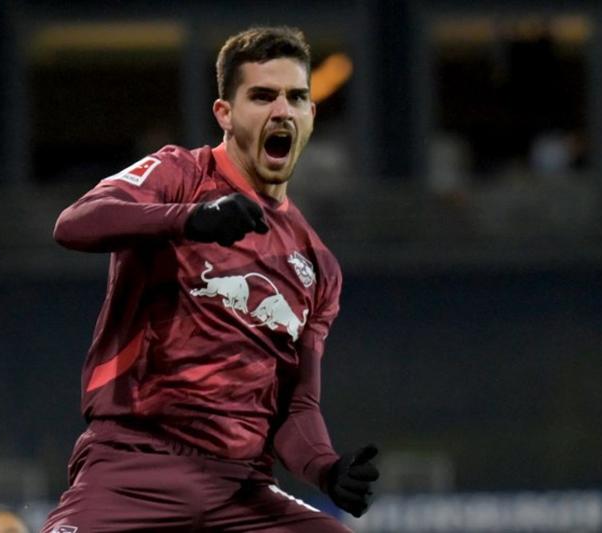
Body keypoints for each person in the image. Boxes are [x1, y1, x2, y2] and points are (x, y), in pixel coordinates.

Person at [41, 26, 379, 533]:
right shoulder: (178, 175)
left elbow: (296, 406)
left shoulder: (318, 266)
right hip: (136, 467)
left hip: (242, 490)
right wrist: (189, 218)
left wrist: (327, 469)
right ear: (225, 113)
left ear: (311, 113)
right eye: (262, 96)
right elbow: (75, 224)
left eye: (295, 97)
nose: (281, 110)